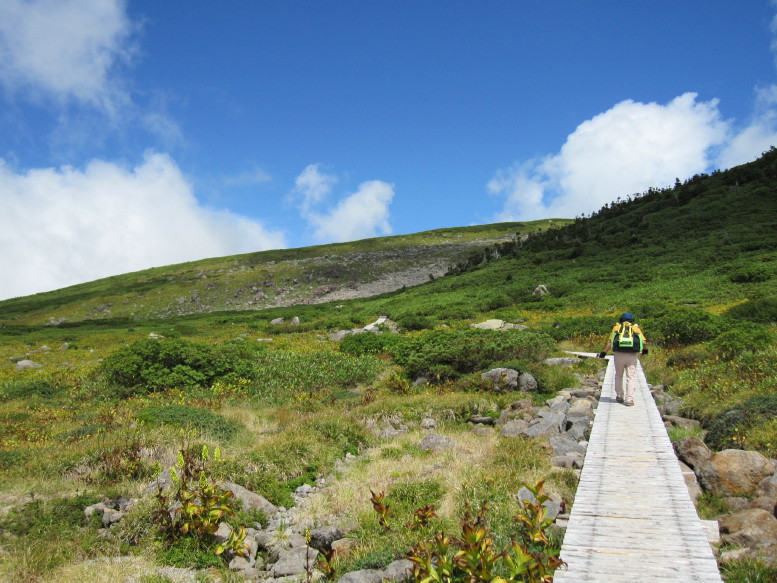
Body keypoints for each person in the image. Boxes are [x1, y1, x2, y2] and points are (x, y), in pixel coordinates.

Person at [598, 312, 648, 406]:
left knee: (619, 375)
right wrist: (645, 351)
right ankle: (629, 399)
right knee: (631, 377)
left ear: (621, 320)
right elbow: (644, 342)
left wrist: (604, 353)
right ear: (632, 320)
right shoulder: (635, 328)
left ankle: (620, 396)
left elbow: (610, 342)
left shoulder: (616, 328)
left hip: (618, 355)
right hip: (632, 355)